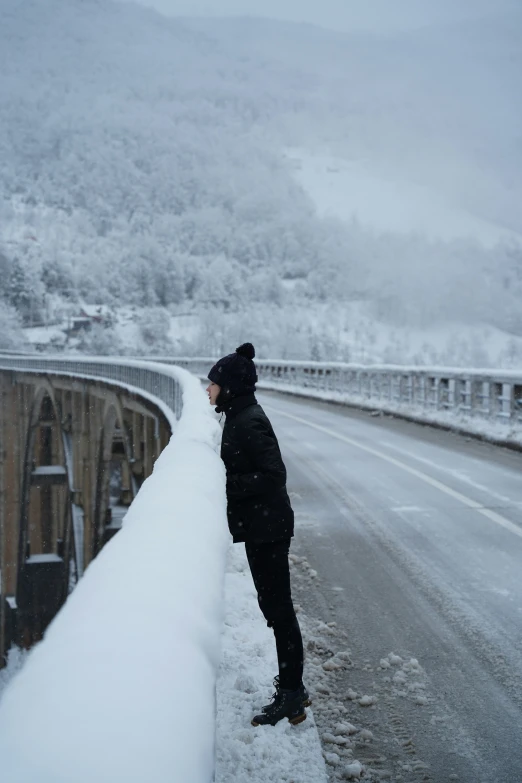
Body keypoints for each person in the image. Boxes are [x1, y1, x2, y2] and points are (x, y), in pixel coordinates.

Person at [207, 343, 310, 727]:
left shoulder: (247, 420)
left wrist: (224, 482)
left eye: (213, 383)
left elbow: (274, 474)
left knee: (279, 611)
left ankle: (292, 696)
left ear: (230, 387)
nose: (208, 390)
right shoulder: (239, 415)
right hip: (262, 526)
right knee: (276, 610)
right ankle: (292, 689)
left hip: (268, 529)